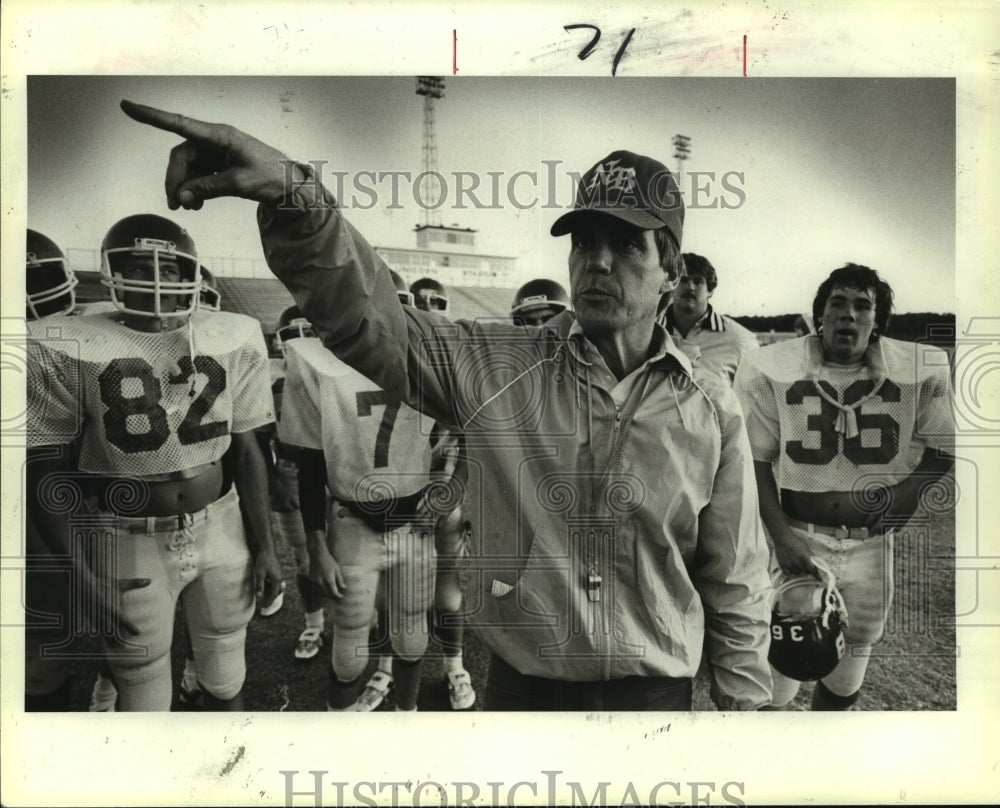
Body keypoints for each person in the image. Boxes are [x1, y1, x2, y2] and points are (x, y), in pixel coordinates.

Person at [122, 102, 773, 711]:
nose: (598, 261)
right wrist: (299, 197)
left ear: (671, 264)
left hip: (653, 699)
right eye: (585, 240)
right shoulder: (496, 366)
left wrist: (742, 704)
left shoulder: (710, 405)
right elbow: (369, 321)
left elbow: (734, 573)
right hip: (526, 694)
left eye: (628, 244)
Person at [26, 212, 283, 711]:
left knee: (227, 680)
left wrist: (266, 544)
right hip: (126, 533)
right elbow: (46, 469)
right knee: (144, 699)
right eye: (140, 267)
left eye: (169, 266)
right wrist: (79, 573)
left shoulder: (233, 333)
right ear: (110, 271)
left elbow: (249, 451)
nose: (158, 279)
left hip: (221, 522)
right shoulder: (65, 343)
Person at [733, 263, 955, 710]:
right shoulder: (772, 367)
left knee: (848, 669)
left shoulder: (919, 369)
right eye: (837, 303)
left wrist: (912, 489)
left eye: (861, 305)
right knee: (780, 673)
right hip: (801, 536)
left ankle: (823, 760)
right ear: (819, 315)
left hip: (871, 544)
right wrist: (780, 536)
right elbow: (753, 460)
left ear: (877, 323)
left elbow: (943, 446)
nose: (848, 315)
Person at [277, 271, 439, 712]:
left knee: (410, 635)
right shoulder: (316, 361)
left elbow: (470, 432)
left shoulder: (428, 358)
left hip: (415, 525)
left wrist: (448, 486)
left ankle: (407, 718)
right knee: (349, 643)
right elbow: (309, 461)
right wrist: (316, 544)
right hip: (353, 520)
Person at [659, 252, 759, 383]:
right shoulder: (648, 332)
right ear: (672, 285)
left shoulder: (741, 340)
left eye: (698, 281)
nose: (690, 287)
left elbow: (753, 397)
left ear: (710, 291)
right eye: (683, 280)